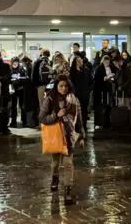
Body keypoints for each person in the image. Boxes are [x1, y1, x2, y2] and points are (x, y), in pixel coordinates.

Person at [39, 74, 85, 205]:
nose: (63, 88)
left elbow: (79, 119)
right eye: (61, 86)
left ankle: (68, 191)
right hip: (56, 136)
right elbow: (42, 118)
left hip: (69, 136)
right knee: (55, 162)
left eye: (65, 86)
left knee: (68, 164)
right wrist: (56, 115)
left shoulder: (74, 100)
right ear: (56, 86)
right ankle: (55, 178)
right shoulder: (50, 99)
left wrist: (81, 136)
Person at [70, 57, 93, 132]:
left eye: (81, 61)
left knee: (84, 110)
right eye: (78, 61)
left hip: (85, 94)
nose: (80, 62)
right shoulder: (72, 71)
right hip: (75, 94)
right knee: (75, 110)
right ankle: (76, 126)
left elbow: (91, 81)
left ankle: (83, 126)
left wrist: (88, 90)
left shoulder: (86, 70)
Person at [10, 57, 27, 128]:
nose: (15, 64)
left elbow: (25, 78)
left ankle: (24, 120)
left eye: (16, 62)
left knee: (22, 105)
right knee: (13, 106)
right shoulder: (9, 69)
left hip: (21, 89)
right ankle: (13, 121)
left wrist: (20, 80)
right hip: (13, 89)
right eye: (14, 62)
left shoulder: (22, 68)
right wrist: (11, 81)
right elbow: (8, 78)